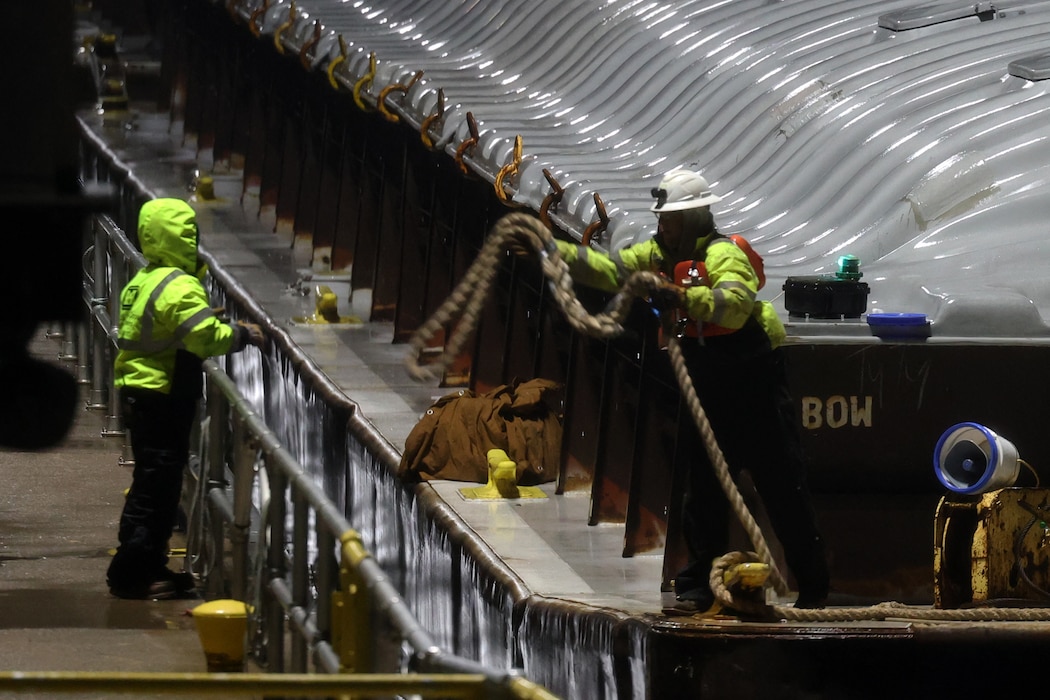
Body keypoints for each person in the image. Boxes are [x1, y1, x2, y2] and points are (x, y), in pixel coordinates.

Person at [551, 169, 829, 612]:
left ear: (696, 217)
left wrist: (685, 300)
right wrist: (554, 251)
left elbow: (736, 306)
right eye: (662, 220)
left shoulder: (724, 255)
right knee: (703, 488)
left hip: (754, 385)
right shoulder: (658, 254)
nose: (663, 227)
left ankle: (813, 586)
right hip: (708, 384)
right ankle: (698, 583)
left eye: (671, 219)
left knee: (782, 485)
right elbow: (610, 270)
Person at [106, 197, 265, 600]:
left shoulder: (146, 279)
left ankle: (145, 563)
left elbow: (169, 328)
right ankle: (133, 573)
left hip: (140, 394)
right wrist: (243, 335)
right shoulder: (180, 284)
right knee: (157, 490)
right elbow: (203, 338)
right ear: (183, 237)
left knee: (151, 483)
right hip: (163, 396)